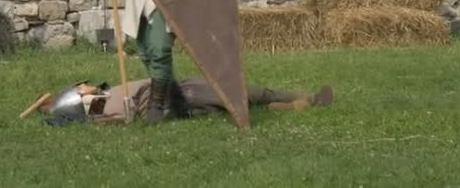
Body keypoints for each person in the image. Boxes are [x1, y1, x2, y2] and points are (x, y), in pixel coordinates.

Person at [37, 77, 334, 126]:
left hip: (179, 86)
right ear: (80, 99)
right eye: (81, 87)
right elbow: (118, 118)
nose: (85, 84)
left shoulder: (105, 96)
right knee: (237, 92)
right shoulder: (104, 108)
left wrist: (51, 108)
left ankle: (289, 102)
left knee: (240, 90)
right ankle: (306, 101)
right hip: (180, 96)